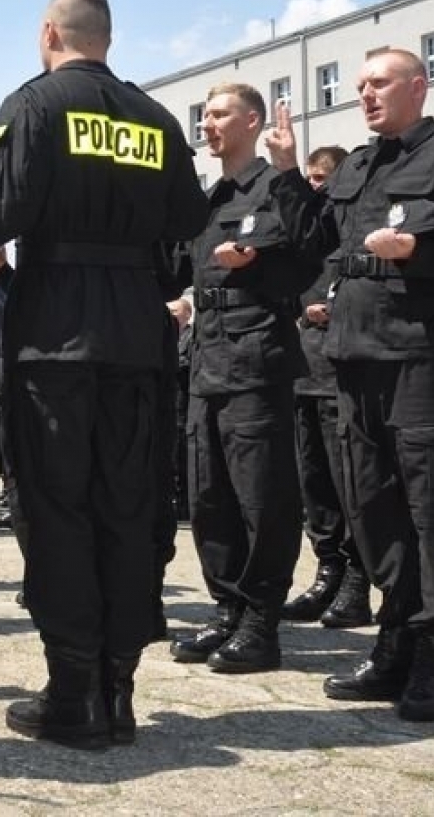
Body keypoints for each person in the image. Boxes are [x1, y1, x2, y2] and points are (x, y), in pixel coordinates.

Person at [0, 0, 207, 749]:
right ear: (107, 37)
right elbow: (188, 226)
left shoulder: (34, 105)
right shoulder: (155, 118)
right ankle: (118, 688)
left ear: (48, 34)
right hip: (137, 335)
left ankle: (73, 691)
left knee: (56, 507)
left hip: (56, 335)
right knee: (129, 507)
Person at [267, 48, 434, 723]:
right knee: (371, 506)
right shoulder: (355, 165)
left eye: (379, 83)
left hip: (422, 353)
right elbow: (316, 242)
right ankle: (395, 635)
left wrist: (419, 251)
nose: (365, 95)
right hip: (354, 353)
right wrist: (287, 173)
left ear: (418, 87)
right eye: (359, 86)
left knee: (432, 507)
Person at [169, 82, 318, 674]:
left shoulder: (276, 187)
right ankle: (227, 607)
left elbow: (311, 253)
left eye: (219, 114)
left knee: (263, 495)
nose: (207, 124)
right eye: (204, 115)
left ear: (252, 121)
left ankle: (261, 619)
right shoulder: (208, 200)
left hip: (257, 358)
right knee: (209, 496)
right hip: (206, 359)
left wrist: (290, 171)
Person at [282, 145, 374, 629]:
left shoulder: (352, 235)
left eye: (322, 179)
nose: (315, 186)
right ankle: (327, 572)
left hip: (343, 379)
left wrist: (335, 310)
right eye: (310, 179)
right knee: (314, 486)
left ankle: (358, 580)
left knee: (349, 486)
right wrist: (303, 310)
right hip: (306, 377)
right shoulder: (307, 244)